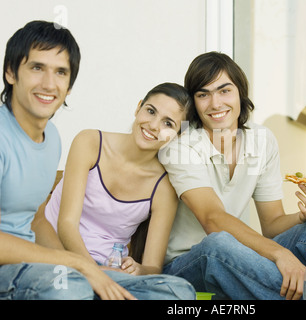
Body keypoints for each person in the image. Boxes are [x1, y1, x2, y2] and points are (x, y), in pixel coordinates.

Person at [0, 20, 192, 300]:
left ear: (69, 87)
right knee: (72, 289)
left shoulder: (50, 138)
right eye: (37, 67)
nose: (49, 83)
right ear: (11, 73)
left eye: (61, 72)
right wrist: (77, 265)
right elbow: (61, 224)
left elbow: (38, 219)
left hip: (47, 266)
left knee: (179, 292)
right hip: (19, 268)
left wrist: (81, 268)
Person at [158, 51, 306, 300]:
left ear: (240, 93)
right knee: (218, 245)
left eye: (224, 91)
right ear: (194, 102)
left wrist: (301, 217)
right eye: (203, 94)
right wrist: (280, 254)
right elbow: (212, 219)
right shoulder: (181, 146)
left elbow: (272, 224)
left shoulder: (261, 140)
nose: (215, 104)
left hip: (236, 250)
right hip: (186, 263)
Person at [44, 82, 195, 298]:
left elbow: (152, 268)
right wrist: (94, 273)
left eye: (168, 123)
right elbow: (66, 224)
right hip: (61, 261)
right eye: (150, 111)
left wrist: (138, 269)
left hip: (112, 274)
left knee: (182, 292)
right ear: (138, 107)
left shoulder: (163, 187)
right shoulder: (90, 142)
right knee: (69, 292)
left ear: (177, 136)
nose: (153, 125)